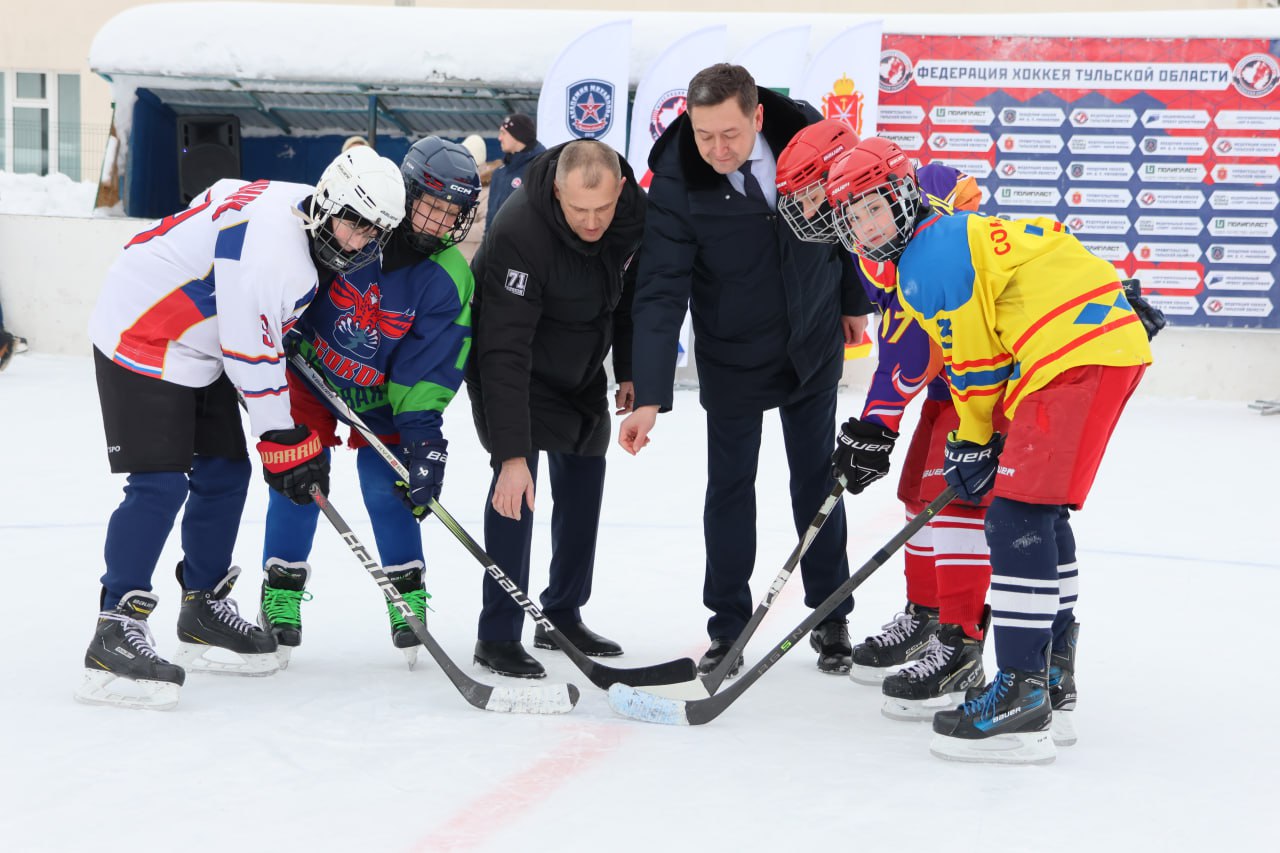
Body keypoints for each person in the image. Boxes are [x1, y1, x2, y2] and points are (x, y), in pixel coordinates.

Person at [824, 136, 1153, 764]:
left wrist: (971, 440)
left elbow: (975, 367)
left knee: (1015, 515)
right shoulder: (948, 235)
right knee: (1042, 515)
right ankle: (1051, 679)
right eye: (854, 217)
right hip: (1087, 350)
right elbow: (1045, 261)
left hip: (1073, 358)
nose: (868, 226)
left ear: (903, 196)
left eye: (876, 207)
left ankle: (1022, 696)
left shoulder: (926, 258)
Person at [79, 146, 405, 709]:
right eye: (354, 223)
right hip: (142, 333)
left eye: (373, 232)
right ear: (329, 203)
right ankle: (115, 626)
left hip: (201, 342)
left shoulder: (293, 204)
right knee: (159, 485)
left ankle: (202, 604)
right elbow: (250, 355)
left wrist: (285, 420)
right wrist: (286, 440)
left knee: (225, 472)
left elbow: (220, 197)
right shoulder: (274, 256)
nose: (358, 242)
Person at [618, 64, 873, 678]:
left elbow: (842, 220)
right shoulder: (677, 178)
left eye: (729, 134)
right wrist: (648, 393)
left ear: (757, 116)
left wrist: (852, 299)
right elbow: (660, 289)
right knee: (730, 487)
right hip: (732, 352)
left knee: (817, 479)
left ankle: (830, 614)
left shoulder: (808, 136)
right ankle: (727, 626)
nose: (716, 149)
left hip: (811, 338)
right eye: (704, 134)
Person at [776, 119, 997, 721]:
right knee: (915, 492)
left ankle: (961, 640)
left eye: (814, 194)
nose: (811, 211)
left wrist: (878, 422)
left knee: (955, 500)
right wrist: (879, 422)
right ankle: (926, 616)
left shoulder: (928, 197)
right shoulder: (863, 235)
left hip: (986, 377)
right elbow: (903, 333)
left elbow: (913, 342)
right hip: (954, 380)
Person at [258, 137, 480, 667]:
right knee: (299, 476)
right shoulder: (360, 225)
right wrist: (284, 331)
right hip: (310, 376)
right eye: (432, 206)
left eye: (454, 213)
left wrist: (423, 437)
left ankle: (407, 595)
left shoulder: (450, 275)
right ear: (407, 193)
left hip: (382, 398)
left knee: (390, 484)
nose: (441, 223)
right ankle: (281, 591)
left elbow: (429, 363)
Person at [467, 139, 645, 678]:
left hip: (580, 364)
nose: (592, 222)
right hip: (511, 367)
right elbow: (503, 350)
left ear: (620, 189)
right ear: (557, 193)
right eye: (579, 209)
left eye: (602, 208)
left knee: (585, 479)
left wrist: (630, 368)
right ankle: (497, 635)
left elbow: (632, 297)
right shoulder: (518, 232)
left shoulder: (632, 214)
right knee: (515, 491)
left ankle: (562, 614)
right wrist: (511, 455)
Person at [486, 113, 545, 231]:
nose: (499, 138)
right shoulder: (499, 173)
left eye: (503, 133)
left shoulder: (540, 169)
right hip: (497, 241)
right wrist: (487, 240)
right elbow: (490, 219)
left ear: (518, 135)